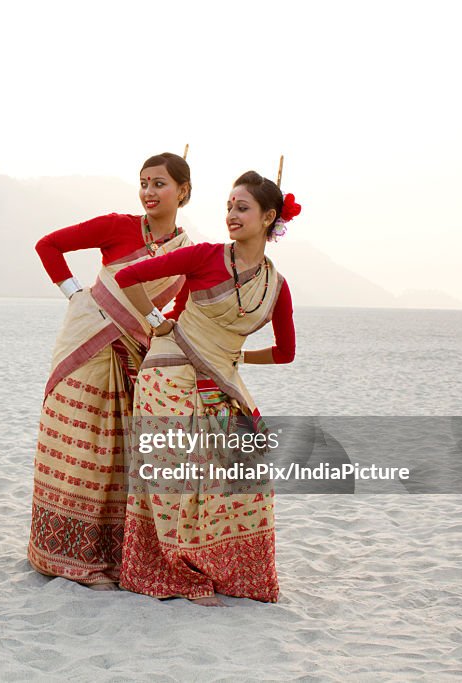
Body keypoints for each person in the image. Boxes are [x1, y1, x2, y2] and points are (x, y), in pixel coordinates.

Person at [113, 168, 301, 604]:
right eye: (229, 207)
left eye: (242, 208)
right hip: (169, 371)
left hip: (221, 379)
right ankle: (174, 570)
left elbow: (285, 352)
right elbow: (128, 277)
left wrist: (235, 358)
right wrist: (158, 321)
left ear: (268, 216)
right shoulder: (203, 257)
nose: (231, 215)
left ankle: (219, 567)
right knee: (179, 474)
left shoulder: (277, 287)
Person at [28, 153, 194, 588]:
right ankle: (60, 554)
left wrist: (163, 331)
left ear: (183, 192)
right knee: (82, 446)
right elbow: (48, 245)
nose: (148, 192)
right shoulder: (118, 226)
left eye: (159, 183)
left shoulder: (187, 253)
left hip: (134, 354)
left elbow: (180, 306)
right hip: (88, 345)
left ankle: (110, 553)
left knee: (118, 454)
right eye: (143, 183)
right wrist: (76, 295)